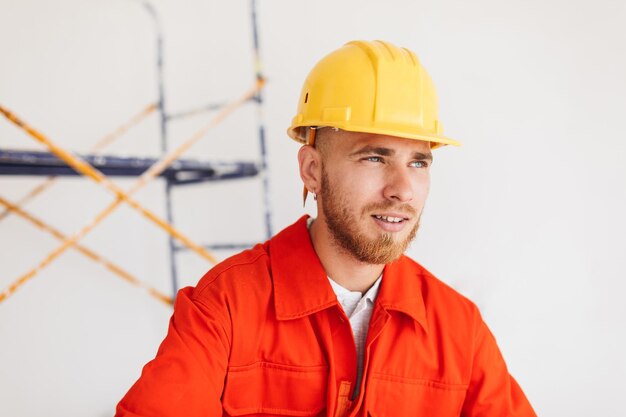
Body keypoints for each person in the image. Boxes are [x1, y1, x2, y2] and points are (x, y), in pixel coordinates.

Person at [115, 40, 536, 417]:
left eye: (419, 162)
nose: (402, 190)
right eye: (374, 157)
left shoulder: (458, 328)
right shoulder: (226, 306)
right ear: (312, 169)